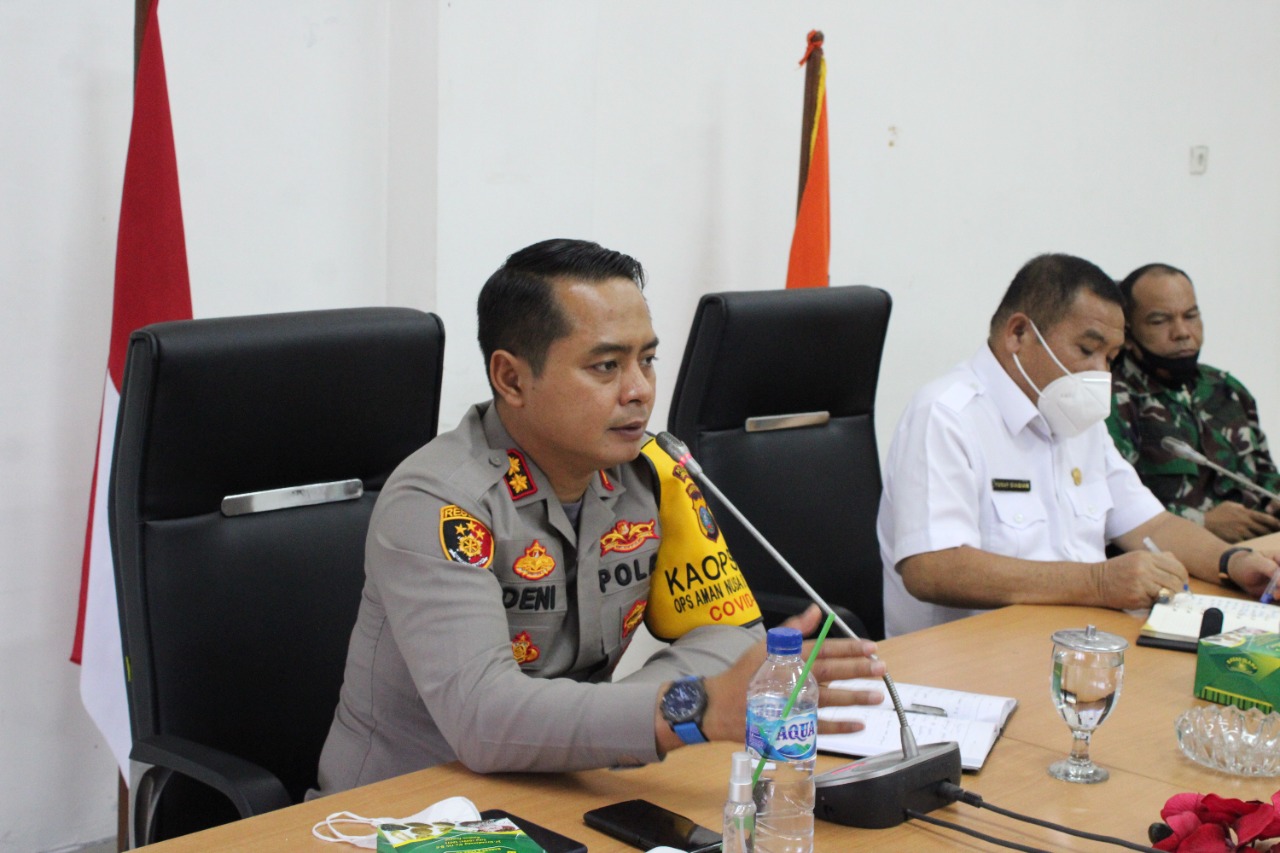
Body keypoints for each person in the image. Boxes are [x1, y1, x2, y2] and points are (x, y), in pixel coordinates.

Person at [314, 239, 884, 794]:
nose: (639, 391)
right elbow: (484, 720)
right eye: (606, 366)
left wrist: (638, 717)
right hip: (403, 817)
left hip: (568, 789)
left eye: (648, 360)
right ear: (511, 378)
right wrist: (691, 706)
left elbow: (732, 635)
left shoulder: (654, 474)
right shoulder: (439, 501)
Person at [878, 253, 1278, 638]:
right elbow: (931, 567)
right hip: (969, 666)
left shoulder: (1074, 416)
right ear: (1018, 333)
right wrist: (1098, 581)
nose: (1101, 372)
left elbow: (1151, 525)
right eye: (1087, 350)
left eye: (1112, 356)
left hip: (1079, 645)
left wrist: (1233, 562)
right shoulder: (946, 414)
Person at [1106, 263, 1280, 543]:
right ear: (1127, 333)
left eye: (1191, 316)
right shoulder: (1111, 400)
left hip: (1257, 556)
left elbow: (1265, 476)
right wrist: (1202, 521)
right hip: (1174, 561)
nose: (1182, 332)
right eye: (1160, 320)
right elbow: (1110, 506)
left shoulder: (1228, 390)